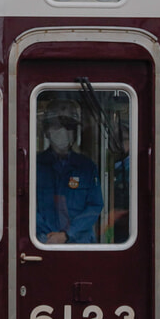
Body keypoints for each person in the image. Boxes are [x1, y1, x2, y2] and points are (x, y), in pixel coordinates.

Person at [36, 99, 103, 244]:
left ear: (75, 132)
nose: (63, 131)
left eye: (69, 126)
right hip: (41, 243)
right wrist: (47, 236)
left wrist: (67, 235)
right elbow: (26, 206)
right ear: (46, 131)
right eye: (56, 125)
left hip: (80, 244)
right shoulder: (34, 166)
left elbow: (95, 206)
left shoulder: (87, 167)